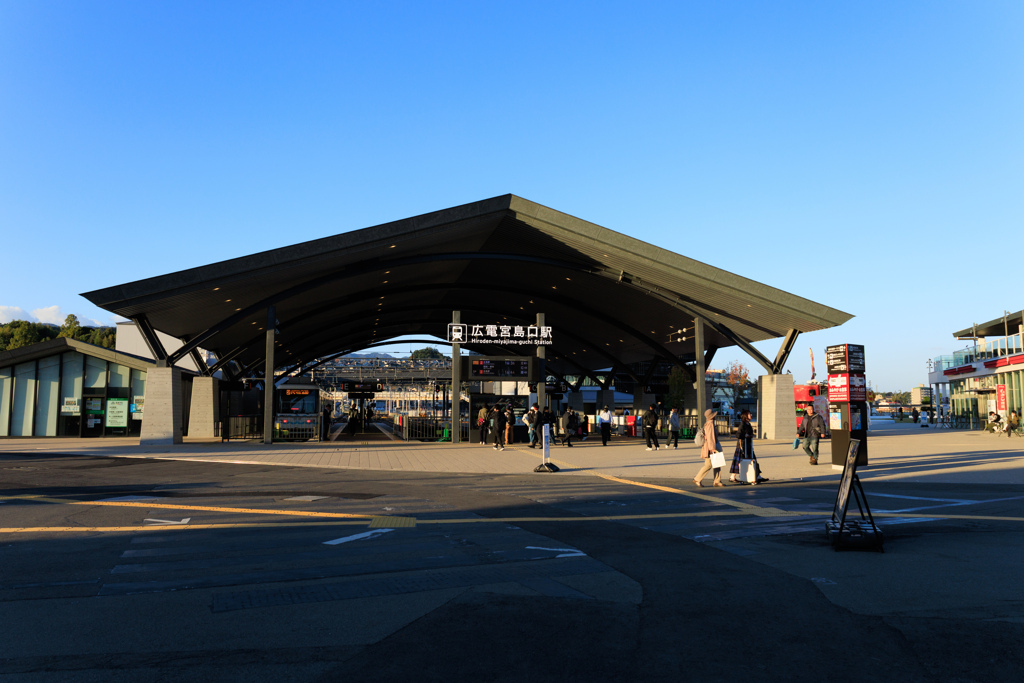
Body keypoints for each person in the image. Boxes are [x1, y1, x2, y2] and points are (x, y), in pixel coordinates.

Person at [729, 409, 768, 484]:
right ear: (745, 416)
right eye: (749, 414)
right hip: (742, 446)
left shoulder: (748, 424)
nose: (751, 415)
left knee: (752, 460)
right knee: (740, 461)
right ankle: (733, 476)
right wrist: (745, 435)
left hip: (748, 446)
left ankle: (757, 475)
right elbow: (738, 435)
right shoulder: (742, 424)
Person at [694, 409, 723, 487]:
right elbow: (710, 437)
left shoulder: (709, 423)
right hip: (711, 447)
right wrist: (712, 448)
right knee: (709, 464)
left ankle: (717, 481)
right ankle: (697, 479)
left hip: (711, 446)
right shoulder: (710, 424)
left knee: (717, 463)